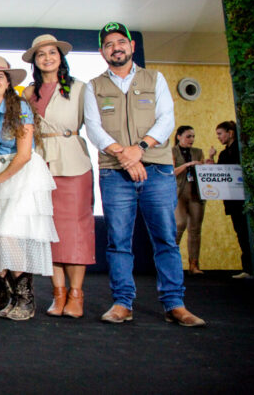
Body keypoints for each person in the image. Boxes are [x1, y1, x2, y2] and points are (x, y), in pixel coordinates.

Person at [84, 22, 205, 327]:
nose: (116, 48)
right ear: (102, 52)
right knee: (118, 241)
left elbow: (166, 120)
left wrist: (139, 149)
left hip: (157, 171)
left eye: (120, 42)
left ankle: (175, 304)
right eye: (109, 44)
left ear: (132, 46)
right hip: (115, 173)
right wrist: (125, 156)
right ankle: (122, 303)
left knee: (165, 238)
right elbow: (94, 128)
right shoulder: (93, 86)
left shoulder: (155, 78)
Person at [0, 55, 57, 321]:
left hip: (22, 173)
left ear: (8, 82)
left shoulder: (21, 107)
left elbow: (24, 155)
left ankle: (26, 299)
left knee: (9, 234)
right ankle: (11, 295)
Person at [22, 34, 95, 318]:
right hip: (40, 163)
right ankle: (58, 293)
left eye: (52, 53)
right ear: (35, 61)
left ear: (60, 57)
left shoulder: (80, 88)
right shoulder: (29, 92)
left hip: (73, 161)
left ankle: (76, 295)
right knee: (47, 230)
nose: (47, 58)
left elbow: (95, 124)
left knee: (75, 229)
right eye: (41, 54)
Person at [207, 120, 252, 279]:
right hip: (232, 201)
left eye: (220, 133)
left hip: (244, 199)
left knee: (246, 233)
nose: (218, 137)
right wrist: (211, 159)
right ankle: (248, 268)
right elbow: (220, 177)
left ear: (230, 133)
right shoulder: (224, 154)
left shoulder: (241, 150)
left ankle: (251, 268)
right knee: (241, 233)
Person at [173, 125, 206, 275]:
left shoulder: (198, 152)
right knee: (179, 224)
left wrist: (208, 163)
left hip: (195, 192)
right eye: (188, 136)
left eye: (193, 136)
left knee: (195, 229)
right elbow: (171, 172)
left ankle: (194, 264)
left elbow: (204, 171)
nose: (191, 139)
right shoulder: (172, 152)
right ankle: (170, 262)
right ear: (179, 136)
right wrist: (188, 165)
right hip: (179, 193)